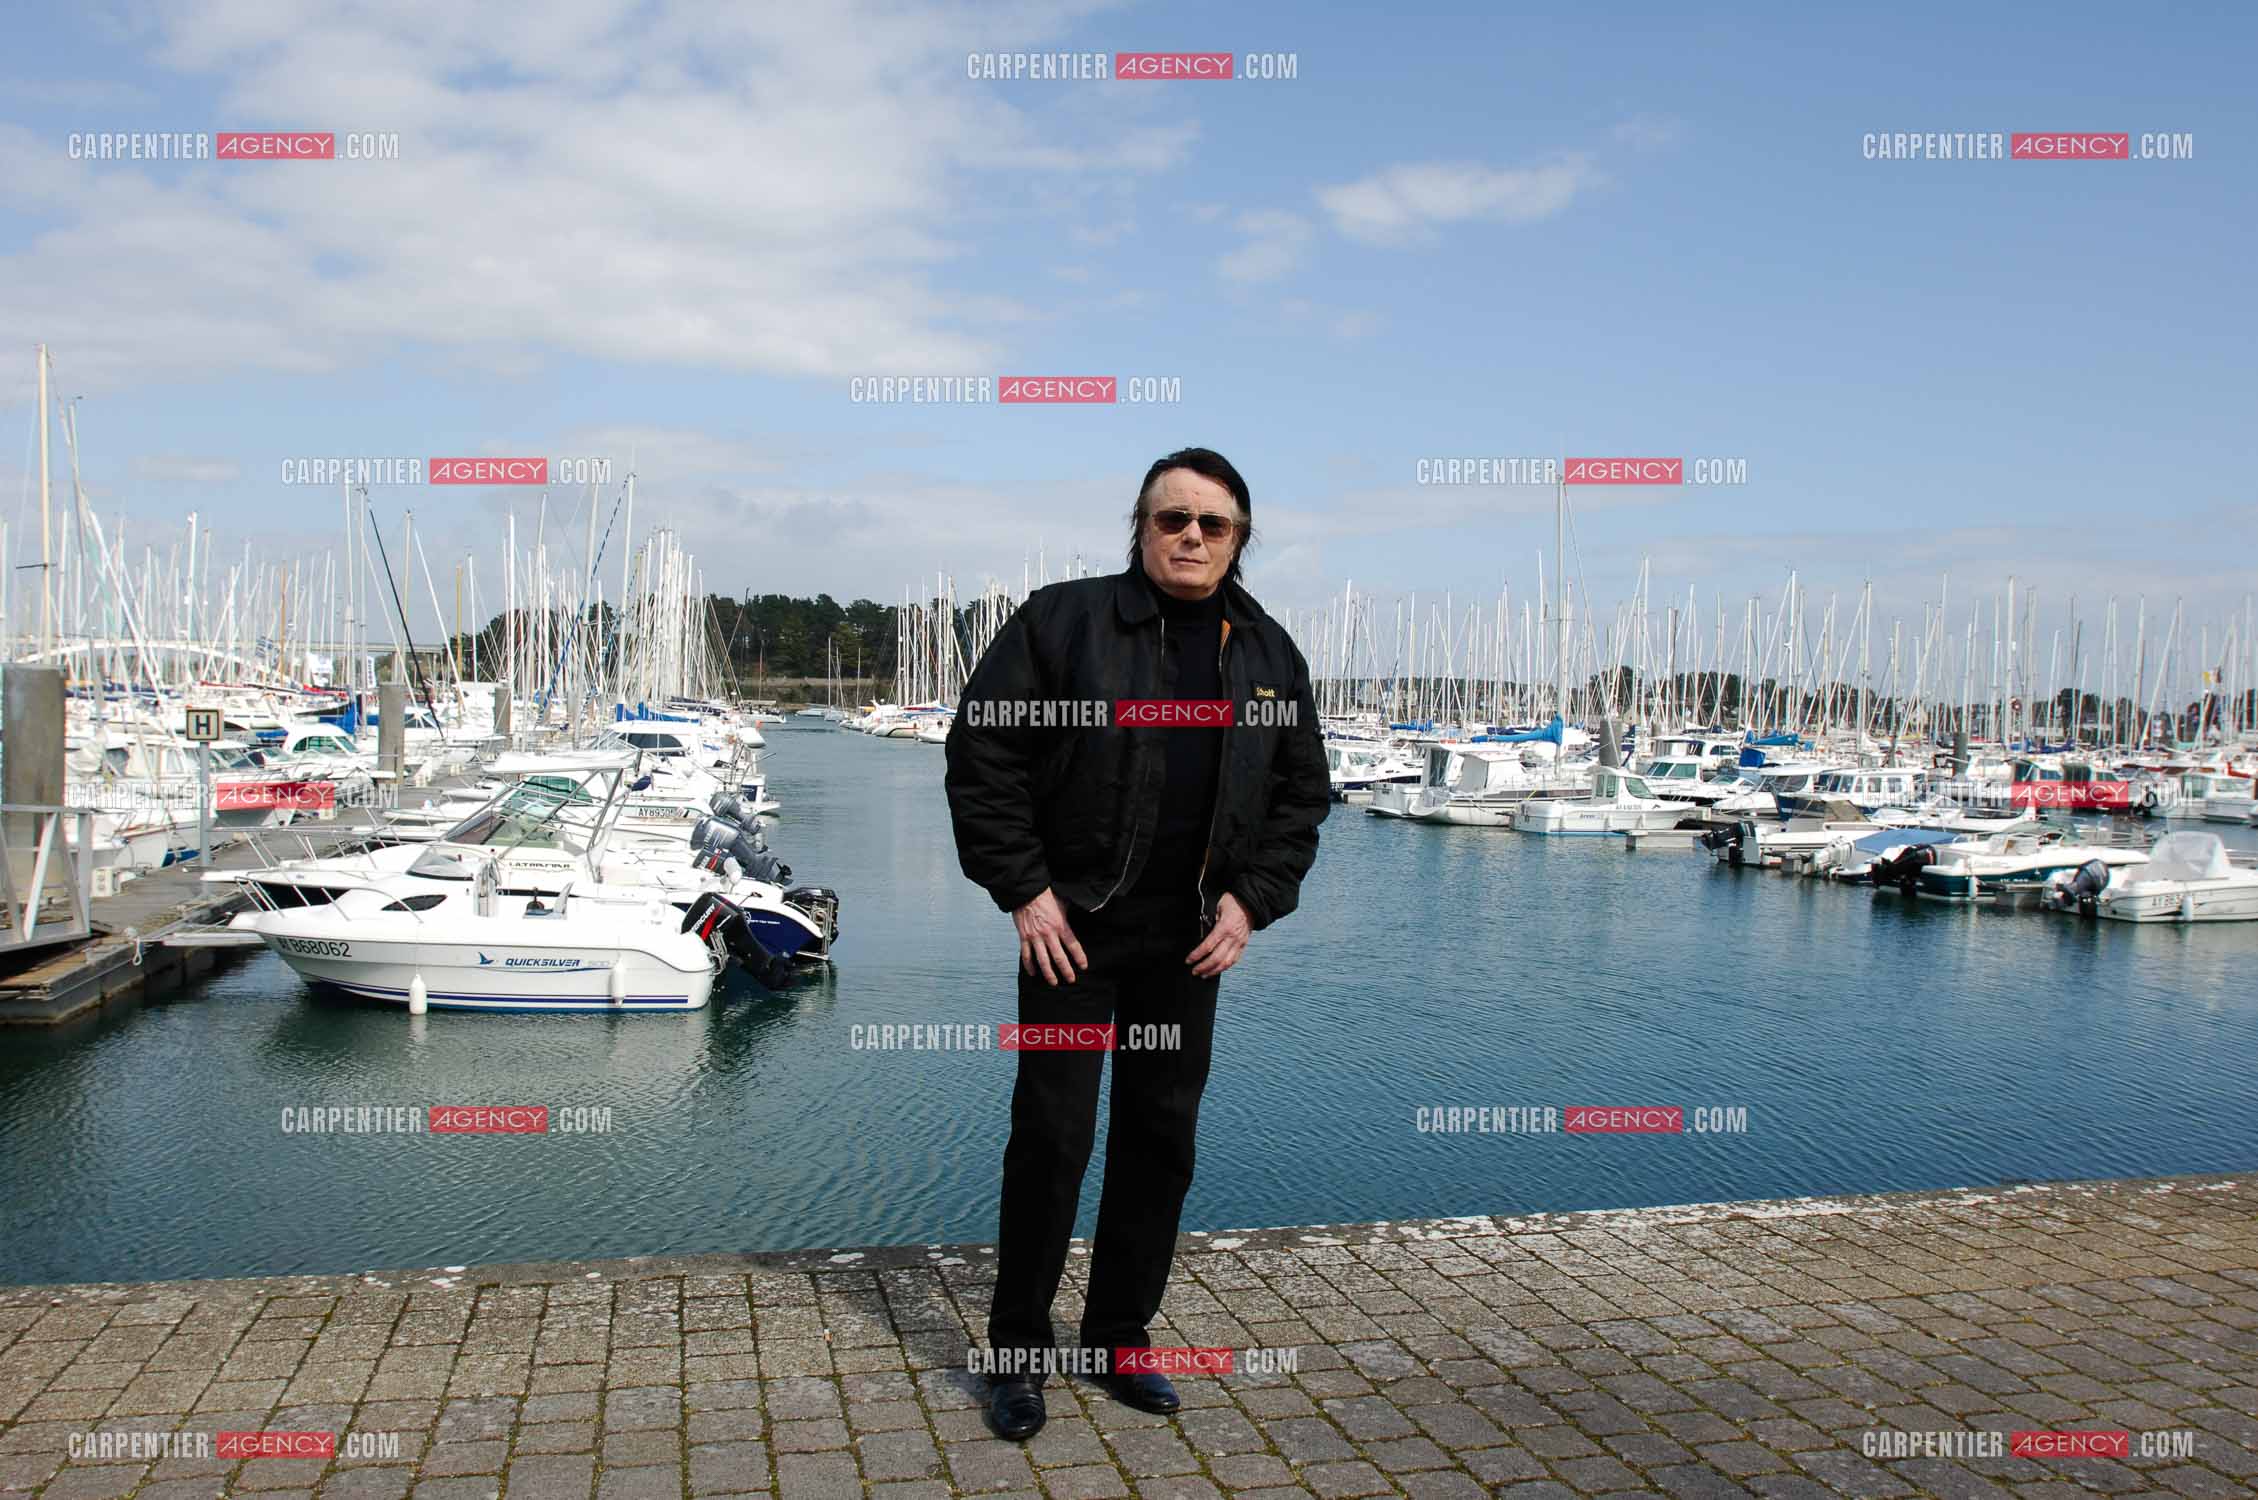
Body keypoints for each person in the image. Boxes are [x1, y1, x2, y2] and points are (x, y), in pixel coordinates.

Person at [943, 446, 1331, 1441]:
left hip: (1188, 941)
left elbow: (1298, 796)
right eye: (1172, 519)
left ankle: (1119, 1338)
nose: (1191, 536)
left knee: (1158, 1142)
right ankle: (1018, 1356)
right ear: (1140, 528)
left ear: (1239, 538)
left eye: (1213, 523)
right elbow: (983, 750)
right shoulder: (1062, 622)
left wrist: (1251, 901)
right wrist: (1024, 892)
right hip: (1071, 934)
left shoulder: (1268, 656)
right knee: (1052, 1139)